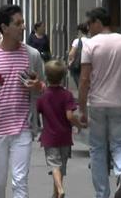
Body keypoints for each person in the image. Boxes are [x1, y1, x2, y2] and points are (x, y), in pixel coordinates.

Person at [0, 4, 46, 198]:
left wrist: (37, 86)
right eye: (18, 23)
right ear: (4, 28)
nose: (23, 27)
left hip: (23, 128)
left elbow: (43, 87)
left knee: (20, 181)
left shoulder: (32, 56)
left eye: (23, 22)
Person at [78, 7, 121, 198]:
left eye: (89, 24)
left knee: (97, 148)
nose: (89, 28)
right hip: (120, 103)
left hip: (97, 103)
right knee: (119, 145)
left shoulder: (90, 45)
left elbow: (84, 79)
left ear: (97, 22)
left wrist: (81, 108)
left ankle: (102, 193)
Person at [37, 60, 83, 198]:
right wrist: (78, 125)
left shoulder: (43, 96)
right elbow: (70, 116)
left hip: (50, 137)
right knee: (61, 166)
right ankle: (55, 193)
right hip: (65, 136)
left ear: (46, 76)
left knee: (55, 165)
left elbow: (36, 112)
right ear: (63, 77)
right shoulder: (67, 95)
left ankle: (60, 189)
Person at [67, 23, 90, 88]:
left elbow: (71, 54)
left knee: (79, 83)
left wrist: (70, 62)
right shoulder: (91, 41)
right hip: (88, 64)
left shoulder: (77, 41)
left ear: (80, 31)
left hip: (78, 65)